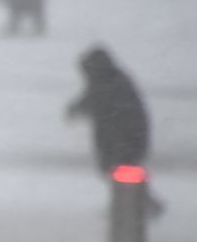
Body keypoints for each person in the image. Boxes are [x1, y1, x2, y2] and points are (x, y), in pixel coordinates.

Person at [67, 46, 165, 215]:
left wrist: (77, 109)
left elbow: (97, 102)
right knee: (119, 171)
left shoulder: (110, 84)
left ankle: (136, 205)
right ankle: (137, 203)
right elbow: (93, 100)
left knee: (121, 171)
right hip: (120, 138)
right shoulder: (110, 80)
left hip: (124, 138)